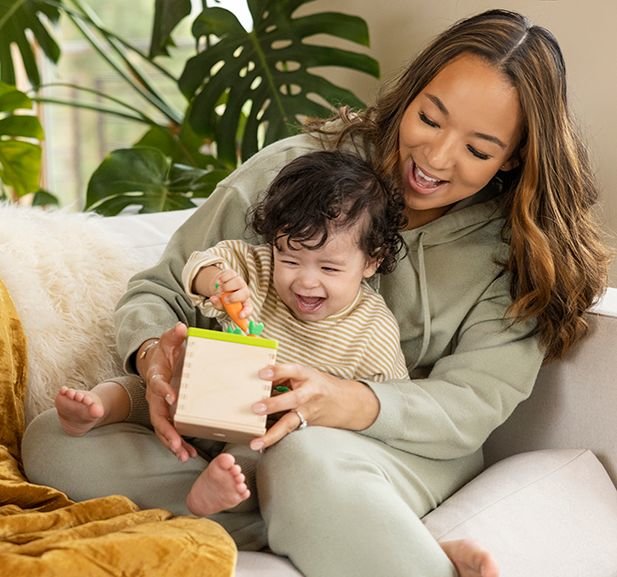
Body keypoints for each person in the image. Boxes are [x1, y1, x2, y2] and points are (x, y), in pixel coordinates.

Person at [22, 9, 610, 577]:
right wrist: (154, 359)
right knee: (55, 441)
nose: (435, 157)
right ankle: (356, 532)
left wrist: (340, 401)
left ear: (513, 161)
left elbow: (472, 403)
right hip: (232, 432)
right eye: (430, 119)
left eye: (478, 150)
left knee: (302, 460)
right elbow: (163, 285)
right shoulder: (299, 170)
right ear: (410, 96)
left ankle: (325, 510)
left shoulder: (518, 251)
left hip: (396, 448)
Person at [53, 150, 409, 517]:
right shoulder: (256, 267)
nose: (305, 280)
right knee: (154, 385)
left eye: (329, 268)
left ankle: (220, 492)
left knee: (258, 461)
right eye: (290, 259)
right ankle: (99, 408)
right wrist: (219, 283)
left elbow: (390, 403)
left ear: (372, 260)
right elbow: (198, 265)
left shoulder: (373, 330)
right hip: (205, 392)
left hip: (264, 429)